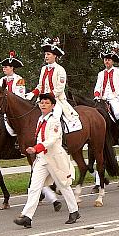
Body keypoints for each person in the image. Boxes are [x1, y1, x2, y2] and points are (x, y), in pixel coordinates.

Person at [14, 93, 80, 227]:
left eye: (46, 103)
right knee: (34, 187)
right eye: (41, 103)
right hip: (42, 158)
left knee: (63, 185)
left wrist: (36, 148)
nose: (43, 105)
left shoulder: (54, 120)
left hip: (55, 158)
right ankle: (27, 216)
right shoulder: (40, 119)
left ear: (53, 106)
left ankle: (74, 211)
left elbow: (52, 139)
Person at [27, 38, 80, 126]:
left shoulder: (60, 69)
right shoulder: (43, 69)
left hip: (56, 100)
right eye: (45, 54)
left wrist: (49, 96)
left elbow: (60, 88)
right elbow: (40, 85)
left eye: (48, 54)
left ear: (54, 56)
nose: (46, 56)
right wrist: (33, 93)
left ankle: (61, 135)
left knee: (56, 116)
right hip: (42, 100)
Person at [94, 50, 119, 146]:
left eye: (109, 60)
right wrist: (97, 95)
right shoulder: (101, 74)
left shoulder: (118, 71)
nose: (107, 62)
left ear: (112, 61)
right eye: (105, 60)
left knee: (117, 113)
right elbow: (97, 87)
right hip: (103, 98)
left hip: (115, 98)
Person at [0, 50, 26, 137]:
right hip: (3, 107)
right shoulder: (1, 80)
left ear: (12, 68)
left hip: (15, 107)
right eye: (3, 67)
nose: (4, 69)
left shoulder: (19, 79)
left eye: (6, 67)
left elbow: (19, 96)